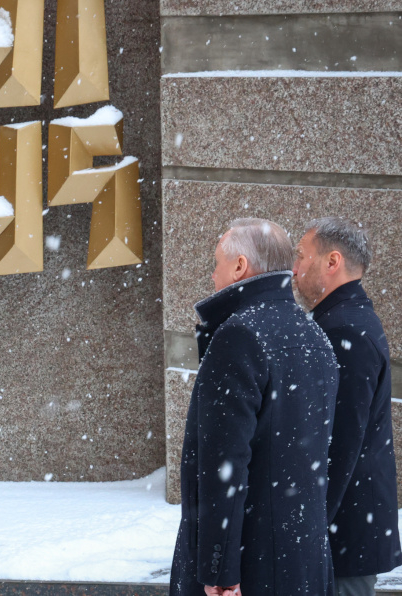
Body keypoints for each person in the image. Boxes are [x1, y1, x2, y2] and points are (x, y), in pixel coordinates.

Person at [170, 218, 339, 596]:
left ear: (240, 266)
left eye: (216, 263)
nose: (212, 275)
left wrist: (220, 573)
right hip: (303, 556)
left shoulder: (239, 335)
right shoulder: (314, 334)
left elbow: (224, 465)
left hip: (251, 565)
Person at [293, 217, 402, 596]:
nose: (294, 268)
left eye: (301, 256)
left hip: (343, 540)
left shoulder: (344, 330)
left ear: (332, 261)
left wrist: (307, 529)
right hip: (346, 533)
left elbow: (338, 444)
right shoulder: (345, 320)